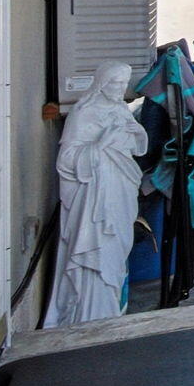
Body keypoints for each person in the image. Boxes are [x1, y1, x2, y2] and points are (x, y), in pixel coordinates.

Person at [44, 62, 145, 328]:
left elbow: (136, 147)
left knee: (115, 249)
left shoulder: (120, 109)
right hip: (93, 198)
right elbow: (66, 159)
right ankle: (88, 316)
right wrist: (99, 147)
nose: (120, 89)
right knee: (95, 251)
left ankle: (109, 311)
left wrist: (135, 133)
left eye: (124, 85)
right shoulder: (83, 113)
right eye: (115, 83)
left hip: (119, 189)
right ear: (101, 82)